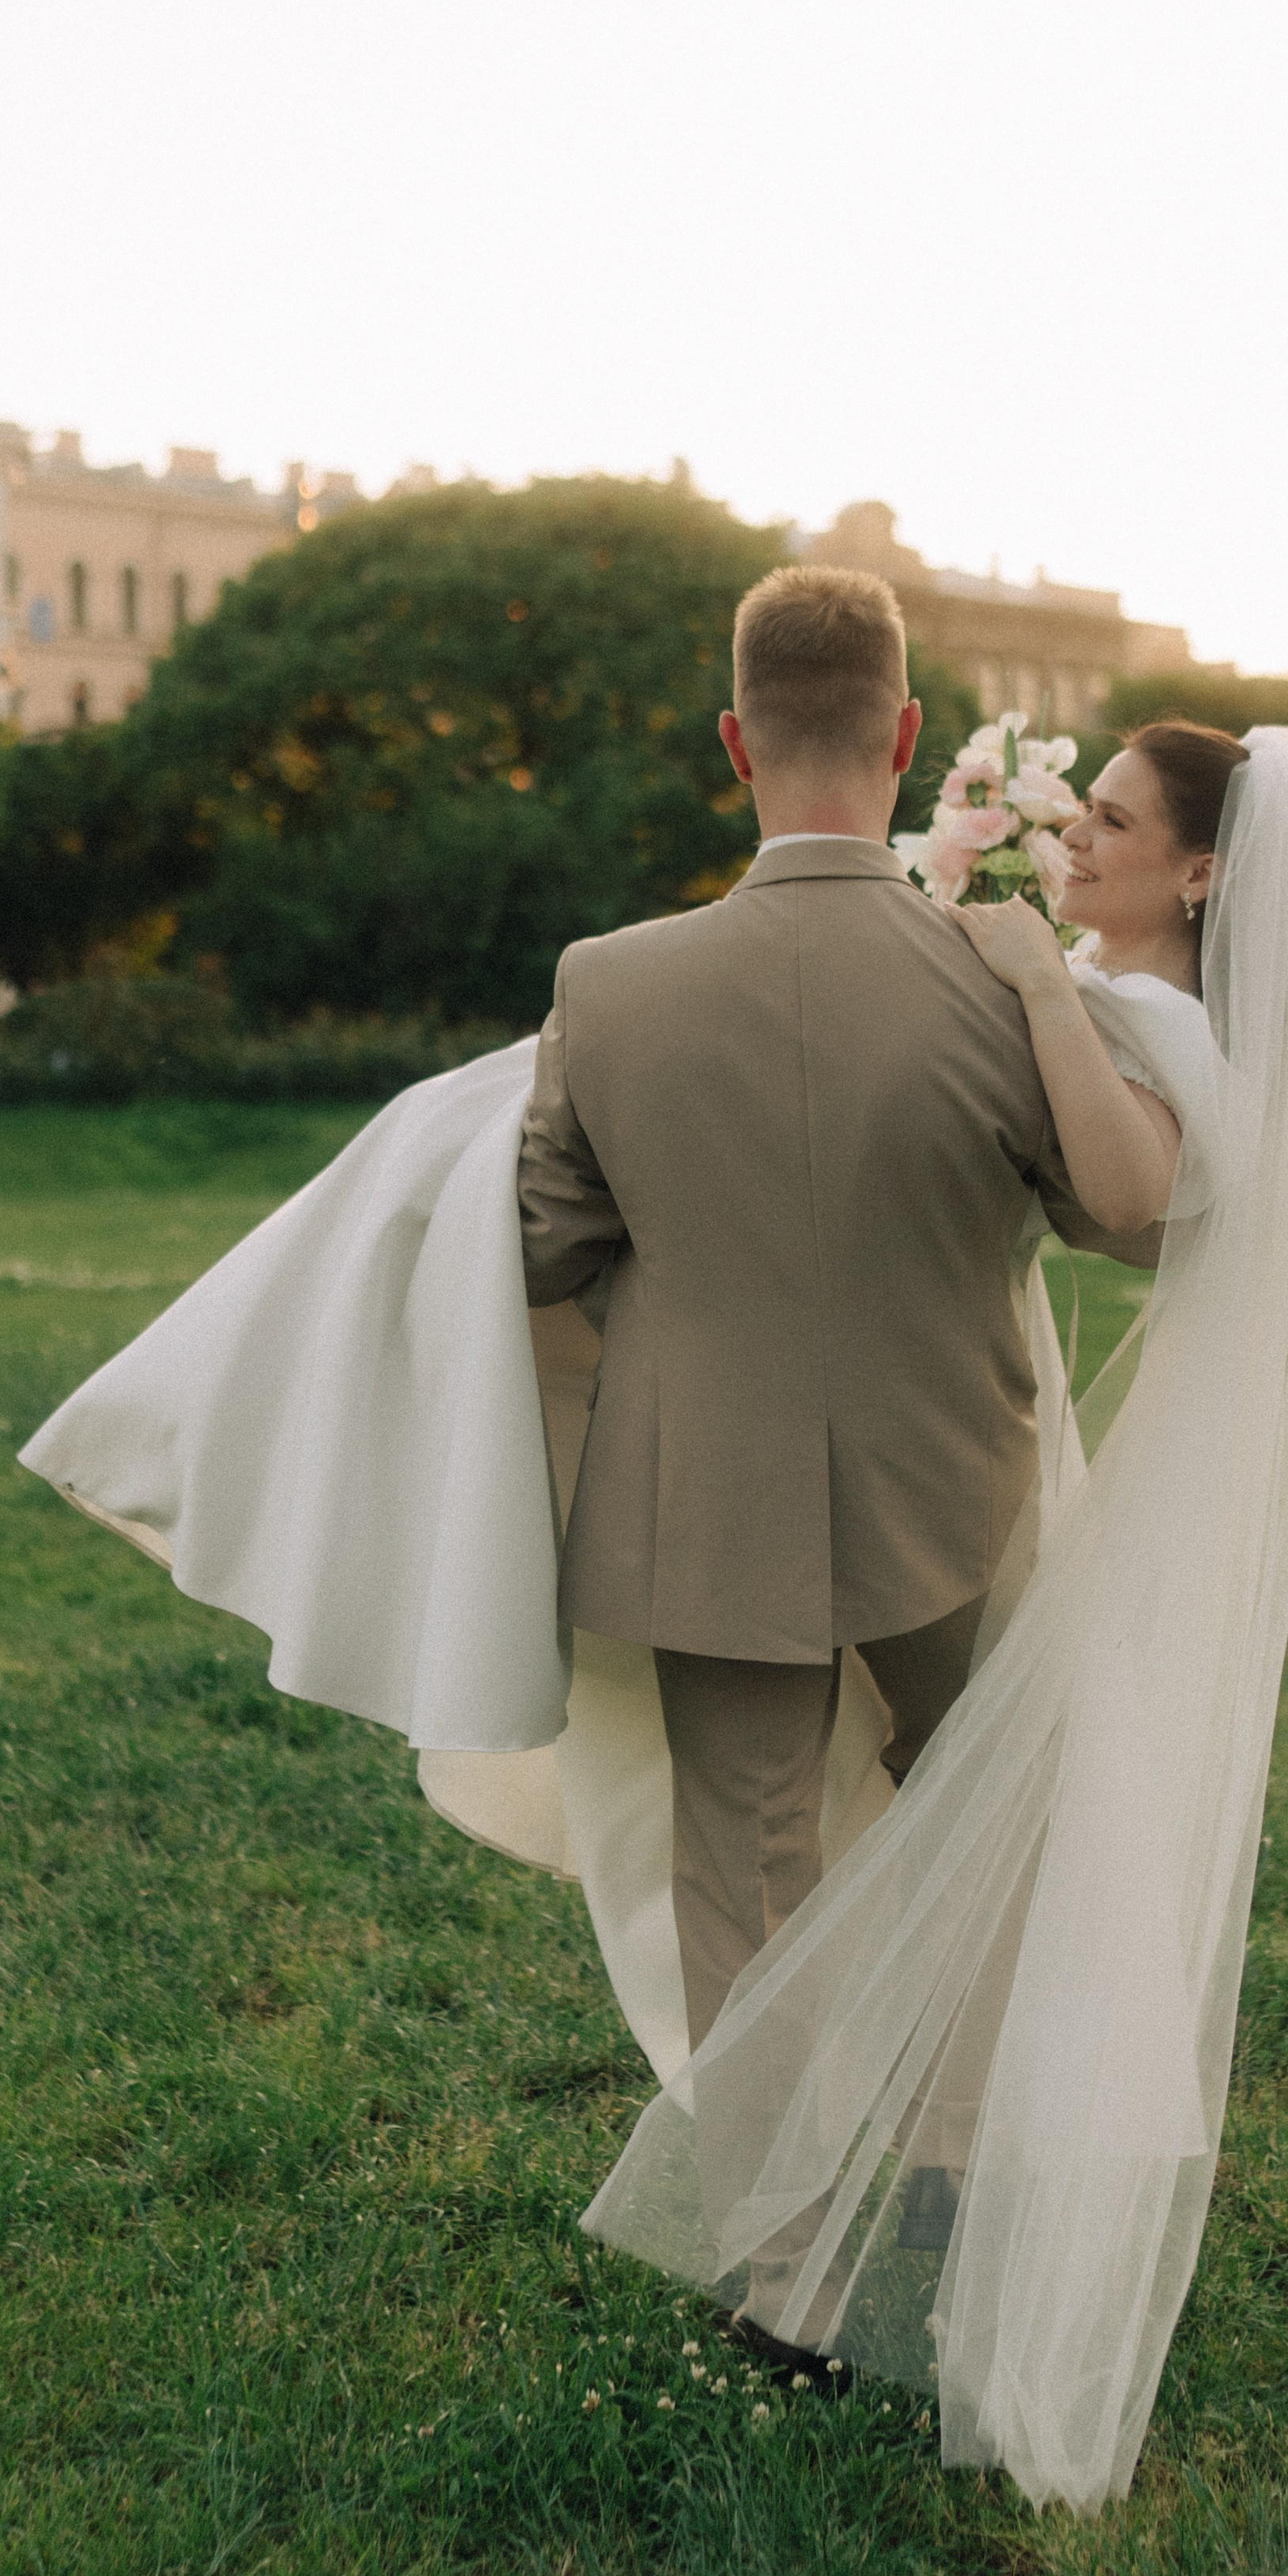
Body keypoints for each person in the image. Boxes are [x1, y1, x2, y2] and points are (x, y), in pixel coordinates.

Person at [582, 709, 1288, 2514]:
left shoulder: (1140, 1017)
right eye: (1068, 817)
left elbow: (1137, 1202)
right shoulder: (1085, 970)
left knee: (947, 1810)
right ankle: (918, 2152)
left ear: (1201, 871)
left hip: (942, 1456)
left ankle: (895, 2190)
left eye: (1109, 826)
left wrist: (1026, 975)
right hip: (950, 1450)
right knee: (949, 1794)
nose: (1068, 845)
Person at [512, 565, 1159, 2060]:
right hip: (958, 1480)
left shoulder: (605, 986)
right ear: (907, 736)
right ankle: (950, 2177)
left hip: (701, 1490)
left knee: (742, 1861)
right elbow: (1109, 1212)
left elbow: (543, 1250)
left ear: (734, 743)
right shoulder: (1006, 984)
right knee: (985, 1824)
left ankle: (781, 2263)